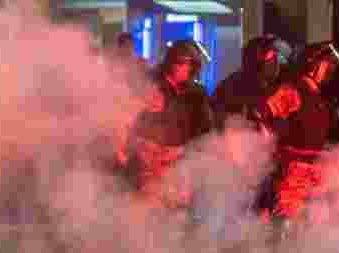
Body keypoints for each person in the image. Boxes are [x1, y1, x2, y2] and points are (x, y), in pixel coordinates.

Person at [256, 42, 339, 227]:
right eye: (327, 64)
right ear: (313, 65)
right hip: (293, 172)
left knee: (310, 225)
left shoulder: (320, 97)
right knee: (287, 222)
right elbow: (260, 114)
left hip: (314, 171)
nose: (332, 69)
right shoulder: (293, 90)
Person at [123, 39, 214, 209]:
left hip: (181, 173)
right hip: (147, 172)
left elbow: (206, 135)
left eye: (192, 65)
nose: (189, 69)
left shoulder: (197, 95)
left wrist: (182, 151)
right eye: (184, 64)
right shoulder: (149, 86)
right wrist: (145, 147)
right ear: (172, 63)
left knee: (178, 216)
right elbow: (126, 126)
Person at [211, 35, 287, 130]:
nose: (276, 62)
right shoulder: (231, 89)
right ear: (256, 61)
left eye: (276, 56)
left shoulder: (273, 88)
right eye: (271, 56)